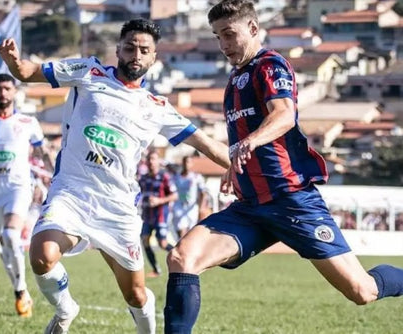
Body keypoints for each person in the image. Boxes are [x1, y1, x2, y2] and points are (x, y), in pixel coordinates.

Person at [163, 1, 403, 333]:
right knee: (182, 258)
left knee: (362, 291)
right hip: (249, 208)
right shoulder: (234, 81)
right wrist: (235, 165)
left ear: (252, 28)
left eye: (229, 34)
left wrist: (252, 141)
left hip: (291, 201)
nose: (223, 45)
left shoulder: (270, 65)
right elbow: (243, 139)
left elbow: (284, 114)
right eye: (218, 37)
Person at [0, 18, 230, 334]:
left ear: (154, 57)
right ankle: (66, 310)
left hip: (117, 206)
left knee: (134, 294)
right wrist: (12, 61)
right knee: (41, 255)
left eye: (144, 50)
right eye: (130, 47)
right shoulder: (87, 72)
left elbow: (205, 143)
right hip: (71, 192)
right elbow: (26, 72)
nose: (136, 54)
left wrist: (244, 166)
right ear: (117, 49)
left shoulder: (156, 107)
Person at [0, 73, 48, 317]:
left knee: (12, 235)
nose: (3, 93)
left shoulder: (28, 122)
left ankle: (21, 290)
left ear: (14, 92)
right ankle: (19, 289)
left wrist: (54, 172)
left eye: (7, 89)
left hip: (18, 188)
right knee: (1, 244)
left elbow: (41, 152)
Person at [139, 149, 178, 278]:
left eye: (153, 159)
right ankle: (156, 269)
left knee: (162, 243)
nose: (151, 162)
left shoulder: (164, 177)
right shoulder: (143, 178)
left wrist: (159, 200)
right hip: (147, 216)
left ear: (158, 161)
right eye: (149, 159)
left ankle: (182, 256)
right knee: (144, 241)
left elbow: (175, 195)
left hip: (160, 215)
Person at [172, 155, 207, 239]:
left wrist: (201, 207)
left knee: (190, 234)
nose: (186, 164)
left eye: (188, 162)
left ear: (191, 164)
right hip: (179, 207)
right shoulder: (176, 177)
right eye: (184, 162)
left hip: (191, 209)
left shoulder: (196, 177)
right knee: (181, 232)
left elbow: (203, 192)